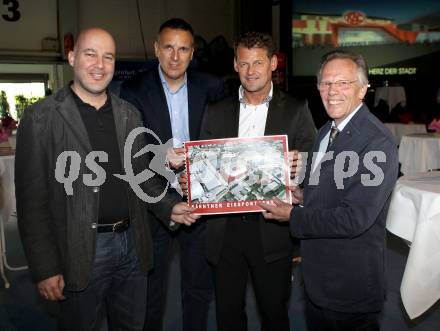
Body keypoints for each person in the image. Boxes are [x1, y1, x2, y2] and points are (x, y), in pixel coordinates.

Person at [15, 27, 199, 331]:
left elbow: (142, 177)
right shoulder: (41, 118)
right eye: (90, 54)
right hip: (79, 249)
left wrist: (170, 207)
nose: (99, 64)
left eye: (108, 57)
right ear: (72, 57)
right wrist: (45, 267)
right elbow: (32, 202)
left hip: (132, 247)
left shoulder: (128, 114)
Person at [181, 31, 316, 331]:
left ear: (273, 64)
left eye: (258, 62)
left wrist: (301, 164)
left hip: (273, 228)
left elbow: (315, 162)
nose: (251, 70)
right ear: (234, 64)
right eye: (244, 63)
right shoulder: (216, 111)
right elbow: (204, 166)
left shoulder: (296, 109)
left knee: (274, 313)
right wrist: (191, 178)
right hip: (225, 229)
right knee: (228, 315)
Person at [260, 50, 399, 331]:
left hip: (350, 287)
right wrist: (302, 196)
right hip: (319, 282)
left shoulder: (377, 143)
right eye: (326, 83)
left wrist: (293, 215)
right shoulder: (326, 130)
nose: (332, 91)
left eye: (343, 83)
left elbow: (354, 218)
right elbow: (330, 187)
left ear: (362, 90)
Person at [120, 18, 224, 331]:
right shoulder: (134, 89)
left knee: (198, 287)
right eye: (168, 48)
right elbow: (132, 151)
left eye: (183, 49)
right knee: (152, 290)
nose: (175, 57)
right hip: (153, 202)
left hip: (199, 202)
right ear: (156, 49)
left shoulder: (212, 87)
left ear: (192, 53)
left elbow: (221, 142)